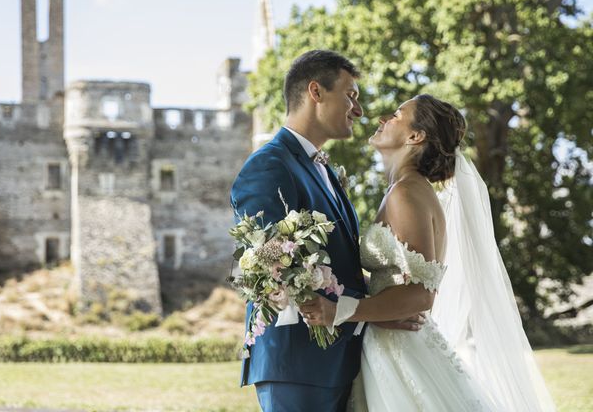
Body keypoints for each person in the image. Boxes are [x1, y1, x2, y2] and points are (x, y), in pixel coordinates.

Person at [300, 94, 556, 411]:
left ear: (415, 136)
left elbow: (422, 295)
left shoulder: (406, 192)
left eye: (395, 114)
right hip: (388, 344)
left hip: (401, 352)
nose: (382, 119)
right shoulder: (404, 189)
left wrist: (340, 311)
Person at [230, 50, 421, 412]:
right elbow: (278, 269)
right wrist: (374, 309)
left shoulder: (327, 171)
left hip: (339, 359)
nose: (359, 110)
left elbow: (337, 264)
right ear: (316, 92)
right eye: (351, 96)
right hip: (296, 363)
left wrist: (377, 308)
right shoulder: (268, 166)